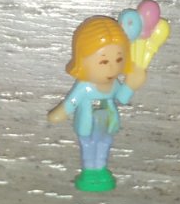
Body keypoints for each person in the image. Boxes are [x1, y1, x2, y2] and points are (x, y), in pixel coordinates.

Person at [47, 15, 148, 192]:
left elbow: (122, 98)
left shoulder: (113, 85)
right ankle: (89, 171)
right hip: (87, 123)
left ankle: (100, 168)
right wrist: (60, 113)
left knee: (104, 143)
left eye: (118, 60)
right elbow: (72, 102)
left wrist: (131, 85)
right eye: (103, 61)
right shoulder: (84, 87)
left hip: (107, 122)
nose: (112, 68)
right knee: (88, 145)